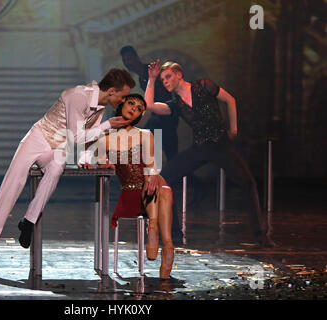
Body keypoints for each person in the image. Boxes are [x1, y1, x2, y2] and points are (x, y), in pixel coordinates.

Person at [0, 69, 136, 276]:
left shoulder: (100, 106)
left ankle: (29, 221)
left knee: (58, 165)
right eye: (122, 96)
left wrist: (85, 159)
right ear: (111, 91)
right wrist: (108, 125)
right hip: (38, 139)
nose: (123, 100)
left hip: (57, 148)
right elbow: (76, 136)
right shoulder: (78, 95)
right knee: (9, 191)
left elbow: (88, 138)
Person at [145, 60, 275, 247]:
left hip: (220, 145)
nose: (164, 81)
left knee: (247, 182)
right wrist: (152, 78)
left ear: (179, 74)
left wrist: (234, 129)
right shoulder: (176, 104)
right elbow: (149, 105)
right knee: (163, 180)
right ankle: (174, 234)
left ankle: (260, 235)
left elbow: (230, 100)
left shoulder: (204, 85)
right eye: (162, 79)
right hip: (199, 148)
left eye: (168, 77)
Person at [95, 94, 175, 279]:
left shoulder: (145, 135)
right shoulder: (104, 138)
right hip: (131, 190)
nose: (134, 108)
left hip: (151, 183)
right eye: (131, 103)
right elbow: (100, 161)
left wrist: (151, 175)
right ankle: (165, 242)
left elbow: (151, 164)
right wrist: (106, 163)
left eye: (139, 108)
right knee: (164, 190)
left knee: (161, 186)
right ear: (122, 103)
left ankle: (158, 233)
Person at [120, 46, 205, 208]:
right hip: (158, 120)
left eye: (129, 58)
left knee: (170, 158)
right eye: (125, 60)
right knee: (159, 156)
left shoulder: (151, 72)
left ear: (136, 57)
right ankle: (150, 192)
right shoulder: (142, 78)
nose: (128, 63)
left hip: (166, 120)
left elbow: (166, 96)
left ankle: (192, 187)